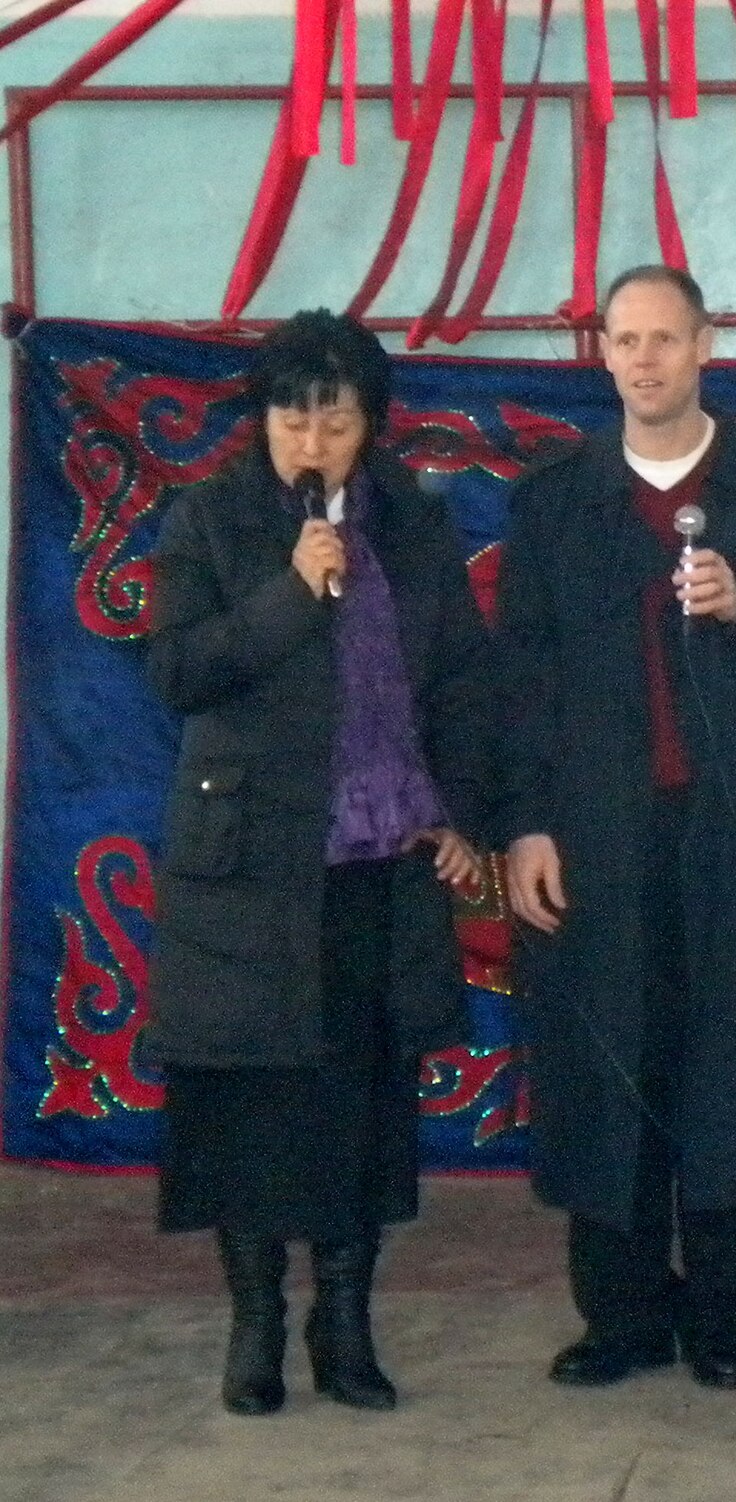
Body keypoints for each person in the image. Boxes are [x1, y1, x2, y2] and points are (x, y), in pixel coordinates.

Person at [495, 266, 736, 1391]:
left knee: (733, 1067)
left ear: (708, 344)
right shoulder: (556, 499)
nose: (646, 359)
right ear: (599, 352)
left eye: (667, 338)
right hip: (597, 839)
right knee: (609, 1068)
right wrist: (524, 824)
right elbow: (518, 677)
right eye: (625, 340)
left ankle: (721, 1315)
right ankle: (618, 1316)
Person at [145, 310, 492, 1416]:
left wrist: (462, 811)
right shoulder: (206, 520)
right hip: (251, 867)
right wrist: (293, 590)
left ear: (370, 427)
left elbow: (463, 684)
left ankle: (345, 1320)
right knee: (251, 1103)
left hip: (378, 863)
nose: (309, 436)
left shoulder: (416, 528)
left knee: (361, 1102)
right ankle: (256, 1326)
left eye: (333, 416)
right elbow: (178, 669)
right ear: (260, 420)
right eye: (290, 413)